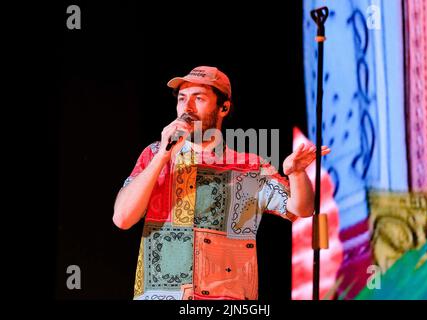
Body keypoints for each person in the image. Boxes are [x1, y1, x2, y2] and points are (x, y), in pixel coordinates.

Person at [113, 66, 331, 300]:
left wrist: (296, 173)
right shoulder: (154, 155)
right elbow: (122, 219)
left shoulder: (249, 166)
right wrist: (163, 156)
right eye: (182, 98)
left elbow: (301, 208)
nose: (186, 108)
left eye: (199, 98)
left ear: (223, 107)